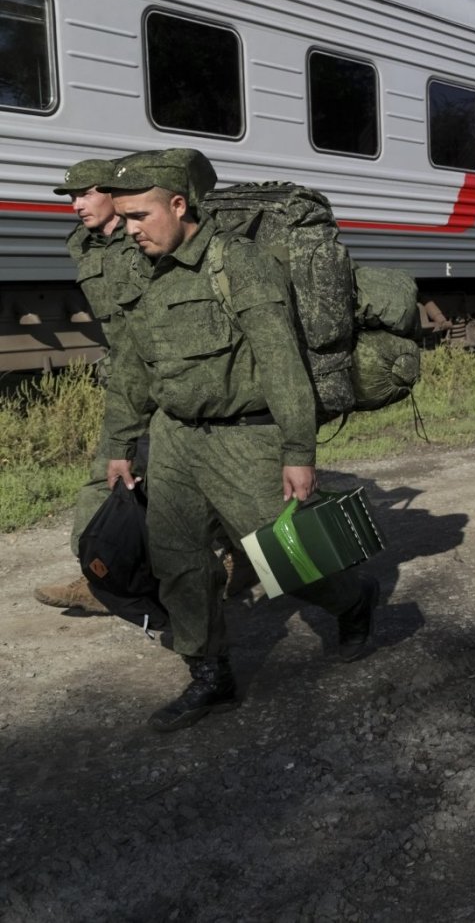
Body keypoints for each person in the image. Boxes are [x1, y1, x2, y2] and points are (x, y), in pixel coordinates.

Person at [100, 149, 380, 732]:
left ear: (179, 206)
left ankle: (354, 600)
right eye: (123, 218)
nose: (130, 230)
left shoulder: (238, 263)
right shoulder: (141, 271)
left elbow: (282, 364)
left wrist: (298, 452)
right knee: (179, 564)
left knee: (291, 559)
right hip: (173, 440)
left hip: (245, 440)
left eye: (140, 216)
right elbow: (130, 366)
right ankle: (210, 676)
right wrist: (120, 443)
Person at [33, 159, 138, 616]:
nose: (76, 205)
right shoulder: (83, 244)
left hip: (175, 374)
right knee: (108, 472)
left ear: (115, 193)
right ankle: (94, 576)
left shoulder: (147, 237)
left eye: (85, 194)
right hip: (130, 376)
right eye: (71, 197)